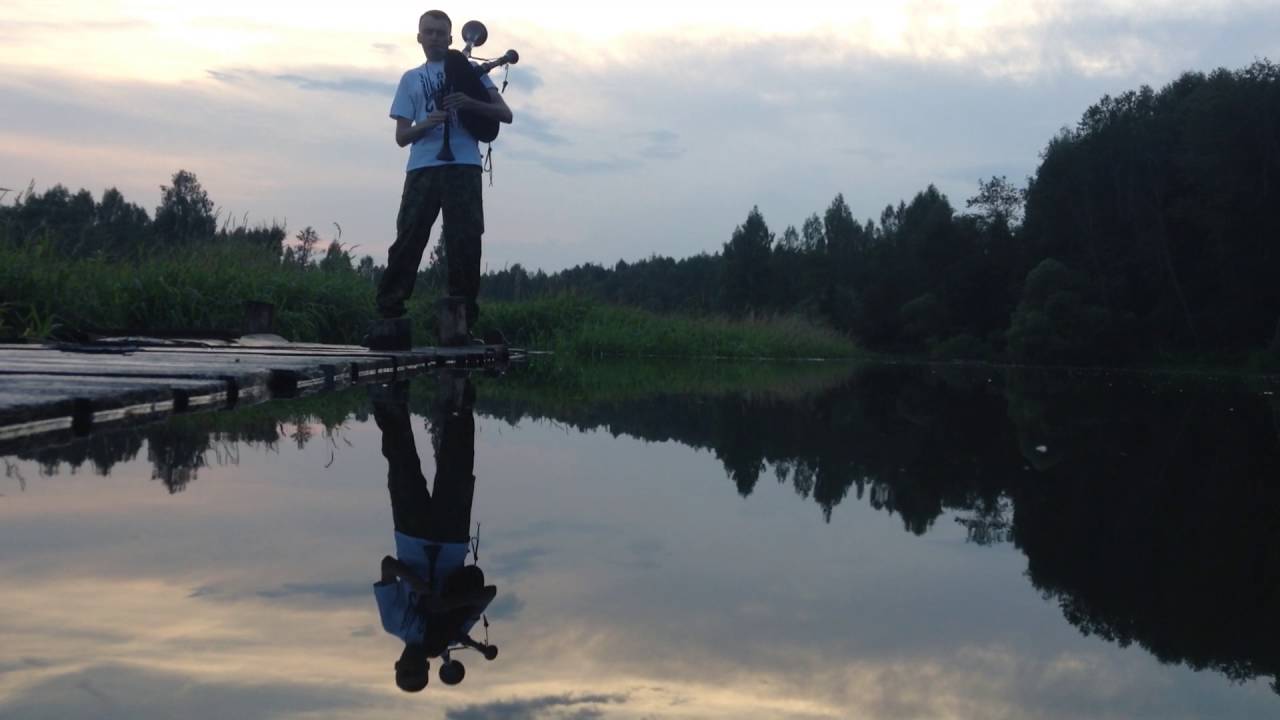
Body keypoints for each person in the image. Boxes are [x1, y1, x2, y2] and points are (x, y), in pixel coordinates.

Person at [369, 9, 514, 350]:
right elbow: (402, 137)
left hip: (463, 166)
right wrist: (429, 124)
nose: (434, 37)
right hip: (422, 168)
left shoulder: (470, 72)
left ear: (451, 39)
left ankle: (460, 324)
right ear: (418, 37)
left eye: (440, 33)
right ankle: (389, 316)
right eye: (428, 32)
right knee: (408, 238)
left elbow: (504, 114)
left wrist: (469, 102)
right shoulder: (410, 79)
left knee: (465, 241)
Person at [369, 375, 498, 692]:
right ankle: (458, 393)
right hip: (451, 539)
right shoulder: (449, 631)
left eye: (405, 671)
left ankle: (392, 391)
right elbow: (488, 593)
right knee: (457, 465)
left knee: (401, 461)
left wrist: (415, 583)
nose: (411, 667)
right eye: (417, 672)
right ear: (426, 667)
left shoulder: (393, 622)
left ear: (397, 665)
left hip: (411, 533)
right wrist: (448, 606)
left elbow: (387, 565)